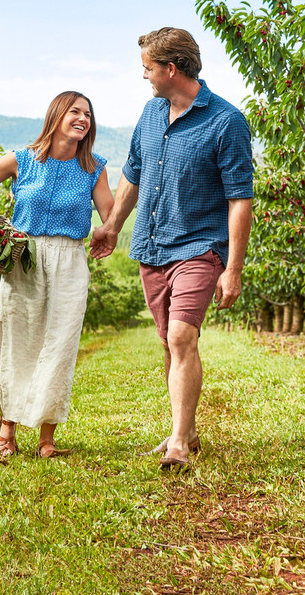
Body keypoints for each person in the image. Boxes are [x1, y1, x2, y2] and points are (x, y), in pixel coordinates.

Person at [90, 27, 253, 470]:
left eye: (147, 68)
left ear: (171, 69)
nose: (143, 76)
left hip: (200, 245)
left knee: (183, 335)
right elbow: (134, 173)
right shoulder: (150, 113)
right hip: (152, 245)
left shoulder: (226, 121)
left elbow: (240, 200)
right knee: (169, 342)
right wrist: (112, 226)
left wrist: (233, 268)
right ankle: (189, 429)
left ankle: (178, 442)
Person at [0, 91, 114, 459]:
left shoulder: (95, 168)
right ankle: (7, 429)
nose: (83, 119)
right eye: (75, 111)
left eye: (88, 114)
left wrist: (110, 233)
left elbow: (111, 216)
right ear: (56, 115)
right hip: (25, 259)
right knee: (18, 341)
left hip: (71, 260)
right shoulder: (22, 159)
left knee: (60, 344)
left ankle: (46, 439)